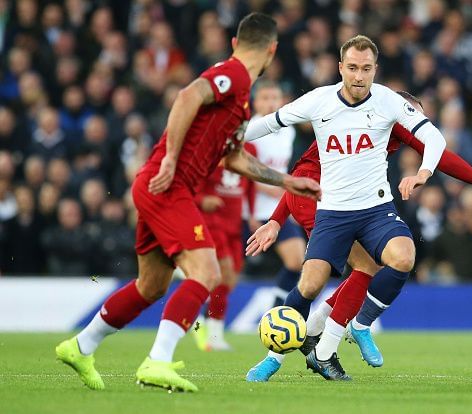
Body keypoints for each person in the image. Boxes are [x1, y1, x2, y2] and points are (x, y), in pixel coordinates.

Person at [55, 13, 321, 393]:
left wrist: (287, 181)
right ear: (272, 50)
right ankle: (157, 361)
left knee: (151, 286)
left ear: (234, 42)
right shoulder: (235, 75)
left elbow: (234, 159)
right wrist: (169, 157)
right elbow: (187, 95)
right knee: (208, 273)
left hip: (159, 187)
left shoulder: (241, 99)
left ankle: (81, 347)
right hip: (169, 185)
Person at [245, 92, 472, 382]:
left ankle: (317, 340)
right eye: (413, 115)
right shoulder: (373, 117)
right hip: (316, 196)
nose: (415, 123)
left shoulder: (392, 127)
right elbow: (303, 173)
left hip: (340, 199)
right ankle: (283, 356)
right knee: (320, 279)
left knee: (367, 267)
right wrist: (276, 220)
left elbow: (438, 154)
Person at [244, 34, 448, 381]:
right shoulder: (321, 102)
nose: (358, 75)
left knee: (388, 260)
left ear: (375, 70)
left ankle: (335, 341)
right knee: (310, 285)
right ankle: (280, 357)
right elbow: (273, 128)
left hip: (371, 208)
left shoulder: (387, 106)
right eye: (352, 68)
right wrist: (226, 138)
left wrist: (423, 173)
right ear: (340, 68)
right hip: (327, 208)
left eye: (365, 69)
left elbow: (435, 138)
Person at [193, 142, 257, 351]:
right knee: (224, 275)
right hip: (212, 223)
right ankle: (214, 334)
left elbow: (251, 184)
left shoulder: (250, 150)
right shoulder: (210, 149)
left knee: (231, 280)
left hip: (235, 225)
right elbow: (191, 188)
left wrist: (252, 214)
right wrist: (203, 200)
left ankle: (202, 319)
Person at [249, 81, 307, 307]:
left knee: (296, 261)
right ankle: (207, 318)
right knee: (227, 272)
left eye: (275, 97)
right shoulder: (249, 131)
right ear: (255, 102)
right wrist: (274, 187)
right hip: (249, 212)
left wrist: (288, 201)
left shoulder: (288, 132)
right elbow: (242, 174)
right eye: (265, 98)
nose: (271, 102)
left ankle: (275, 311)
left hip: (275, 211)